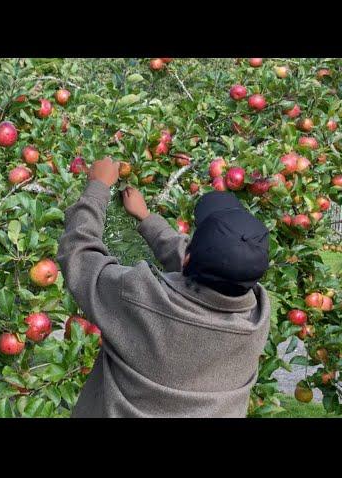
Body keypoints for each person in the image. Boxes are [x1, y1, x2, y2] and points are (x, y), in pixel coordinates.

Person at [57, 157, 271, 418]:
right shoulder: (257, 319)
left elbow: (79, 255)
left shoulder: (140, 300)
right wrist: (147, 219)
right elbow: (204, 268)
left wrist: (97, 186)